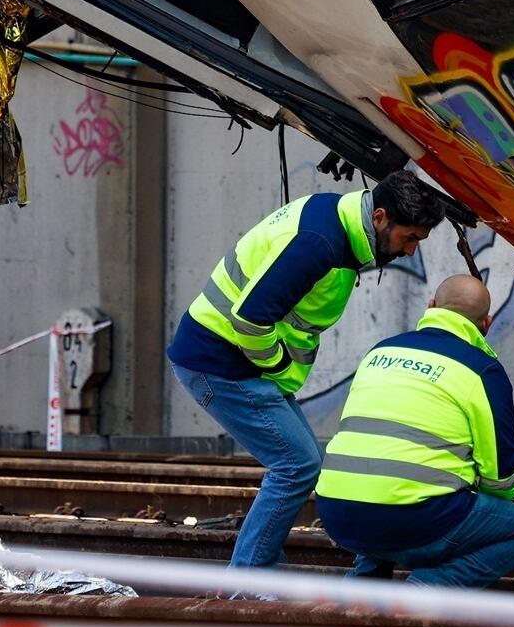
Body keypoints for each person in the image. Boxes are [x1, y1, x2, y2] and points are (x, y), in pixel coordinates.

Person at [169, 169, 446, 569]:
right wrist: (279, 364)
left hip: (231, 359)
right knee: (296, 465)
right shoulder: (319, 243)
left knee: (302, 463)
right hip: (220, 361)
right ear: (381, 217)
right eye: (410, 239)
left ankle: (261, 571)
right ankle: (247, 584)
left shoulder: (340, 222)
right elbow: (248, 319)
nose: (410, 252)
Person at [314, 274, 514, 589]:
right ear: (485, 324)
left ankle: (364, 584)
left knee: (386, 486)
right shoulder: (482, 370)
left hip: (335, 511)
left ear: (431, 306)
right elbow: (501, 479)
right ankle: (427, 589)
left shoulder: (379, 352)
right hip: (413, 520)